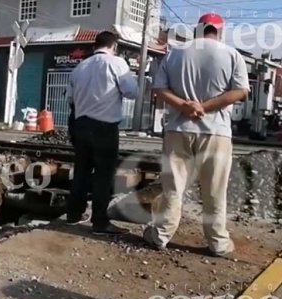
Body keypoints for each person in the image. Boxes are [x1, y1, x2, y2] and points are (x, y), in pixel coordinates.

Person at [143, 13, 250, 257]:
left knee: (173, 186)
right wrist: (205, 108)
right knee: (214, 190)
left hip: (178, 130)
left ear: (197, 30)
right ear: (219, 31)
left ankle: (161, 235)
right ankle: (218, 243)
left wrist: (185, 106)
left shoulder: (175, 53)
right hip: (216, 132)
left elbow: (158, 88)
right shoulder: (232, 55)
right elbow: (240, 91)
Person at [66, 31, 139, 235]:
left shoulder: (79, 67)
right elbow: (132, 92)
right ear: (114, 47)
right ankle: (99, 222)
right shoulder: (116, 64)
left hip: (80, 125)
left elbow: (70, 100)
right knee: (103, 175)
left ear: (93, 46)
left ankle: (73, 214)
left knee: (81, 171)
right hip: (104, 127)